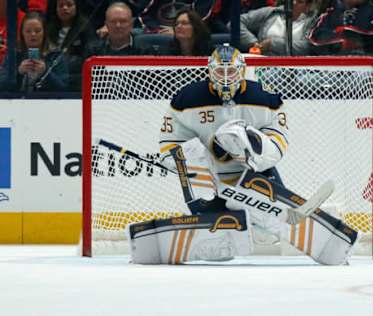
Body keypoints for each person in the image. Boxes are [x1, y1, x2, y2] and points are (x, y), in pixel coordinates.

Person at [127, 44, 359, 265]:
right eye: (220, 70)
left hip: (253, 170)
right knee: (222, 241)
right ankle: (235, 220)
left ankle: (263, 216)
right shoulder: (186, 99)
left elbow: (278, 138)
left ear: (242, 71)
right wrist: (193, 169)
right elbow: (170, 145)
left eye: (231, 71)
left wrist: (256, 156)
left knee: (236, 135)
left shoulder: (264, 98)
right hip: (207, 179)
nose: (225, 77)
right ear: (209, 70)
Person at [0, 11, 68, 92]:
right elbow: (2, 86)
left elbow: (64, 89)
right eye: (28, 31)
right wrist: (18, 73)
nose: (33, 34)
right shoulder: (13, 55)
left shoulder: (55, 55)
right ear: (22, 34)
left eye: (37, 31)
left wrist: (45, 72)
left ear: (44, 33)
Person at [308, 0, 373, 56]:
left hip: (370, 64)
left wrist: (348, 34)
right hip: (333, 67)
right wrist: (341, 35)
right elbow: (315, 37)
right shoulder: (330, 12)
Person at [46, 0, 95, 90]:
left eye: (69, 5)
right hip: (52, 75)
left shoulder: (85, 27)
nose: (65, 8)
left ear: (76, 6)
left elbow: (88, 57)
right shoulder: (49, 28)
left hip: (74, 76)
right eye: (60, 6)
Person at [238, 0, 316, 55]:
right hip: (264, 63)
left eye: (300, 1)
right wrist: (253, 42)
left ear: (307, 6)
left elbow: (306, 47)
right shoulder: (271, 12)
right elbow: (236, 22)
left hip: (295, 69)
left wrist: (272, 44)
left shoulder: (312, 23)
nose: (293, 3)